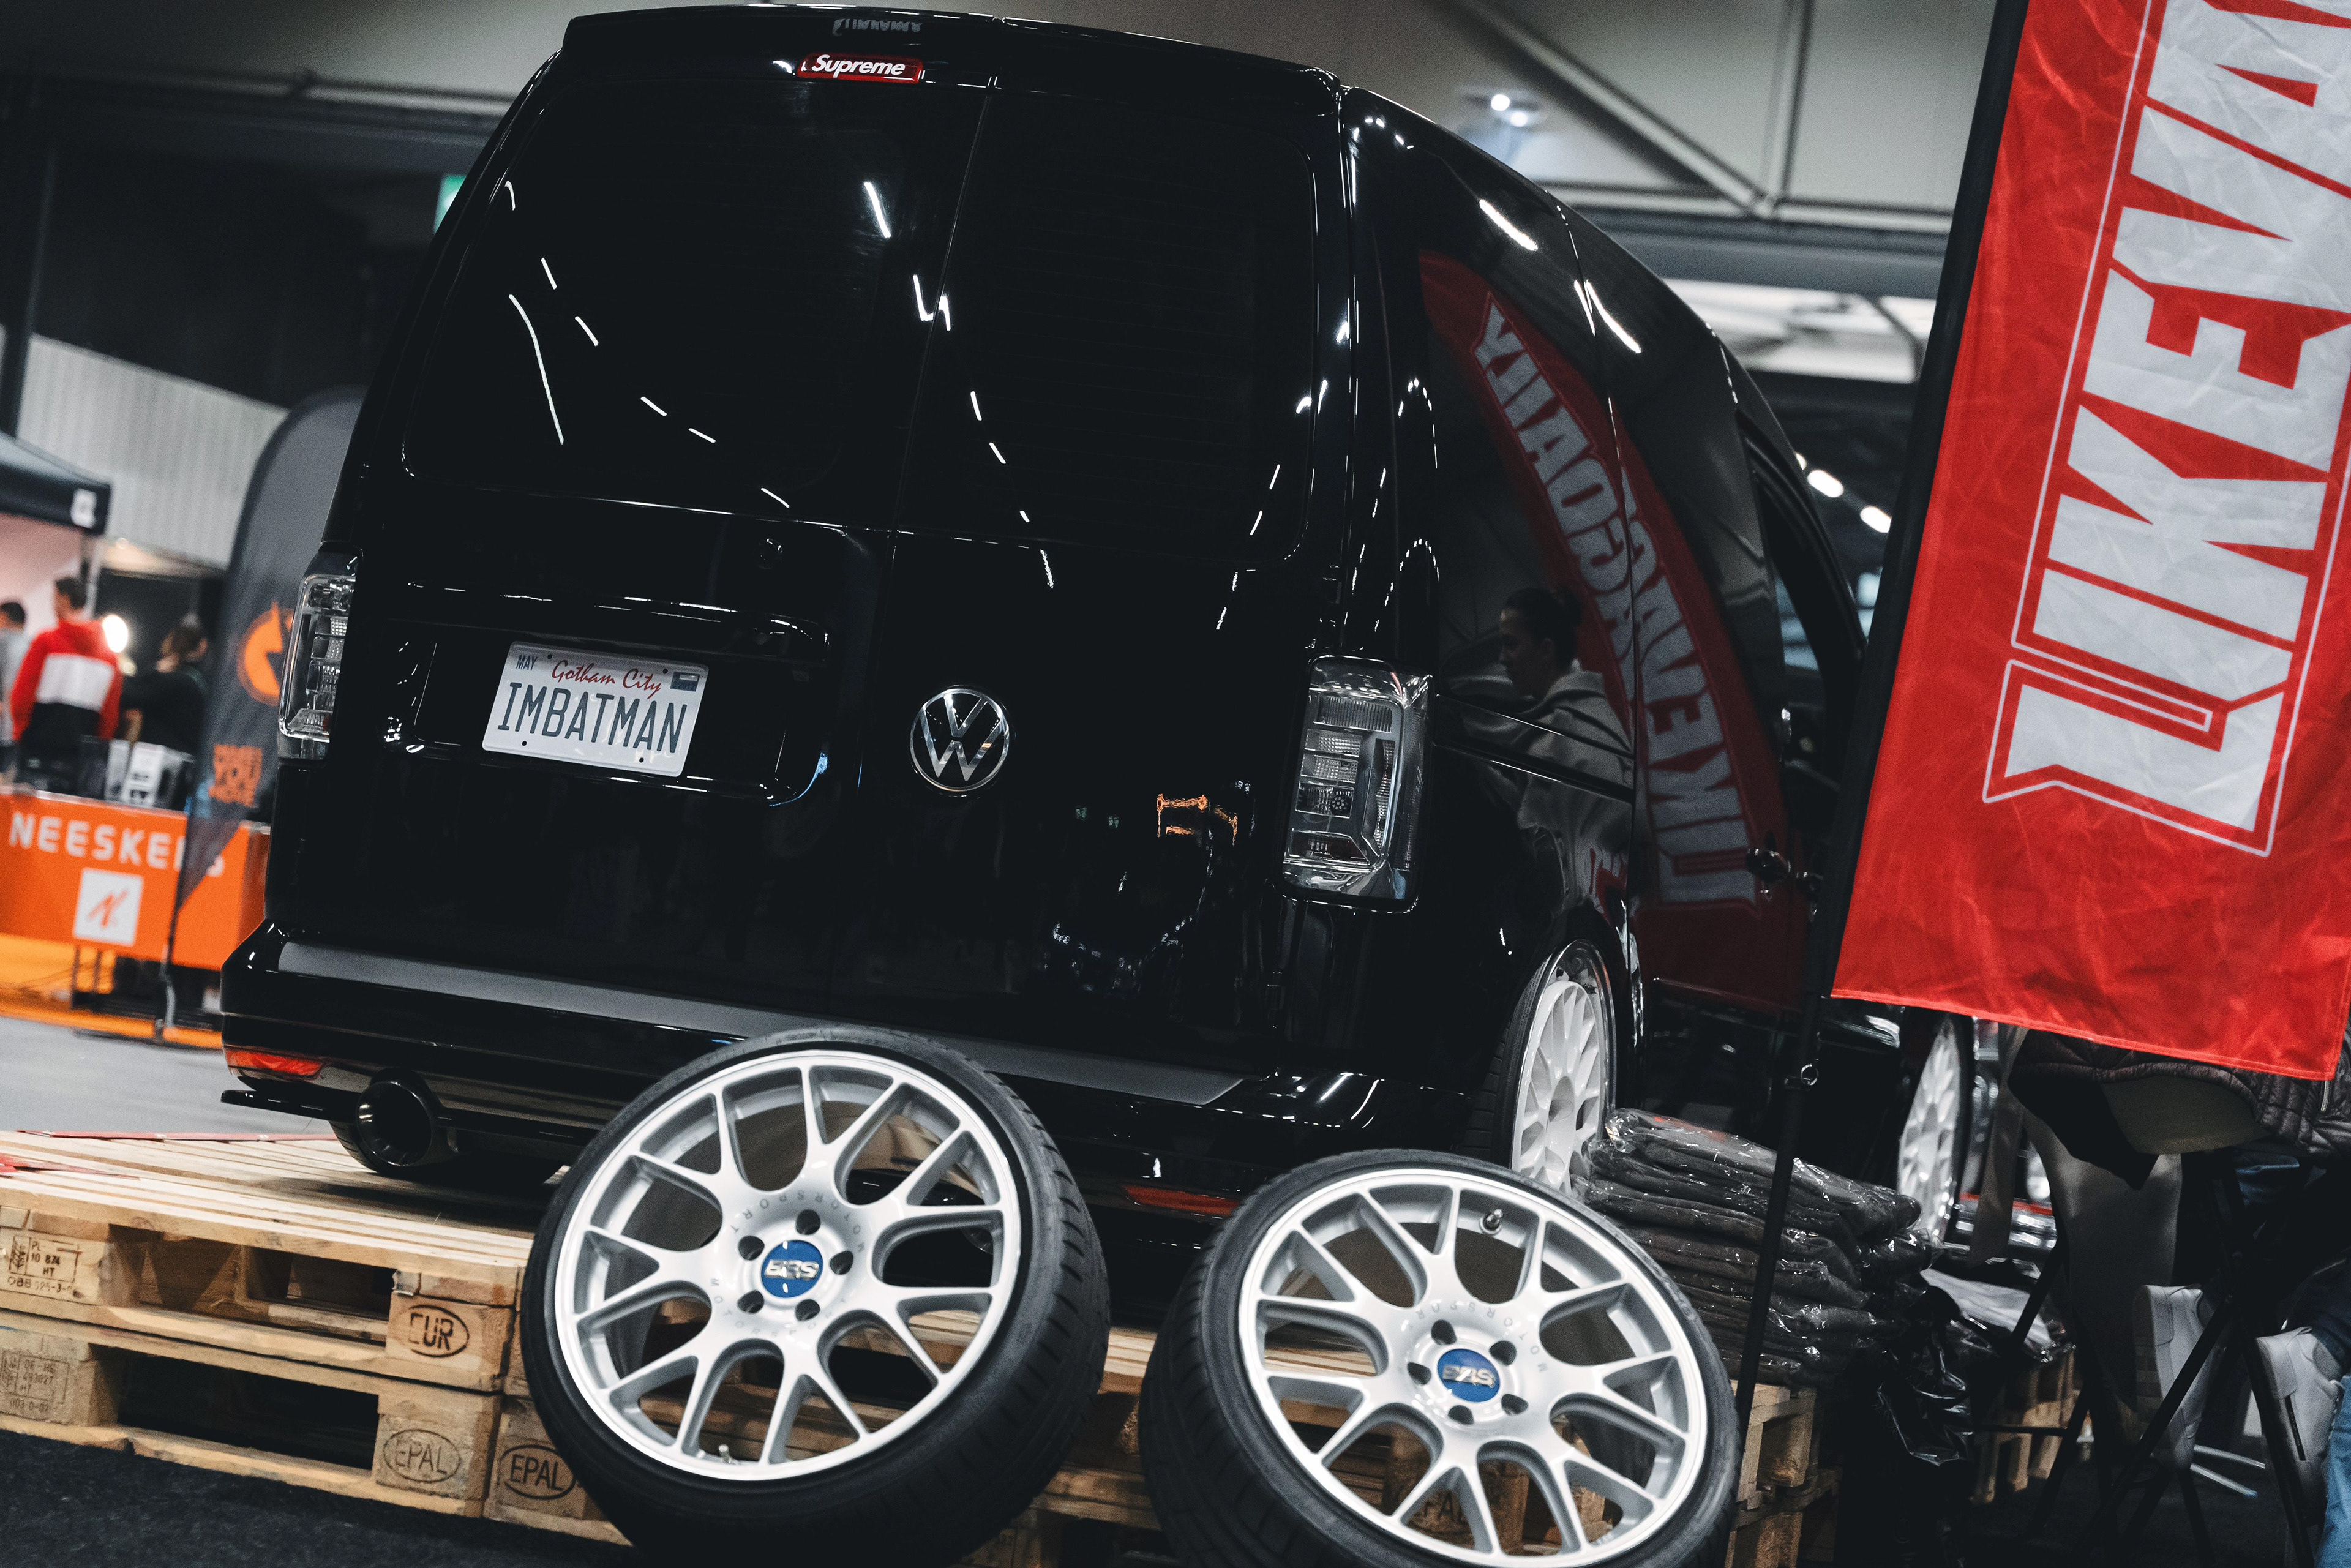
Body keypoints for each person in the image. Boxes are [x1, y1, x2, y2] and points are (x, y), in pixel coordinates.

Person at [9, 575, 121, 791]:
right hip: (79, 759)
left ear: (64, 599)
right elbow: (110, 715)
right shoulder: (109, 658)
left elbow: (22, 695)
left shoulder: (46, 642)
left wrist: (20, 733)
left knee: (25, 810)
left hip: (36, 749)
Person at [121, 615, 209, 755]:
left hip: (162, 762)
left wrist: (155, 671)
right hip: (186, 759)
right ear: (203, 646)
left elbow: (127, 694)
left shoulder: (176, 682)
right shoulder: (198, 683)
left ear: (170, 641)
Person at [0, 599, 26, 777]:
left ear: (4, 617)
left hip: (5, 724)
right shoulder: (33, 644)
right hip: (20, 728)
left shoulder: (4, 643)